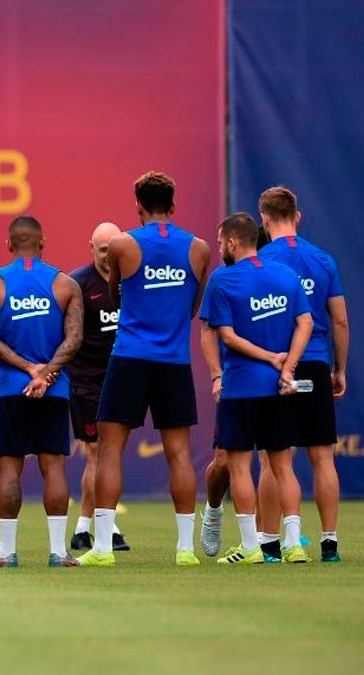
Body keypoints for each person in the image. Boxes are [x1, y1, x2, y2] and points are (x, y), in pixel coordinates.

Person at [202, 188, 348, 563]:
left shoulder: (240, 270)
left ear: (263, 221)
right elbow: (329, 321)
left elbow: (225, 332)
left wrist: (269, 362)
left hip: (255, 378)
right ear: (296, 216)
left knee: (257, 463)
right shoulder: (310, 265)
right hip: (305, 366)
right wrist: (331, 368)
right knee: (311, 460)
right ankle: (315, 543)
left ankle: (262, 544)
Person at [79, 172, 210, 568]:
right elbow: (192, 307)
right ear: (174, 204)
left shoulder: (123, 243)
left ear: (137, 206)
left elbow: (117, 294)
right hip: (173, 359)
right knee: (180, 453)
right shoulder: (200, 249)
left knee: (109, 451)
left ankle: (102, 549)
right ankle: (185, 549)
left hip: (130, 357)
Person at [199, 213, 312, 564]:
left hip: (241, 388)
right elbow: (305, 323)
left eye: (220, 243)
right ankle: (293, 546)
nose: (219, 248)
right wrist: (288, 365)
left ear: (232, 242)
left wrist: (270, 359)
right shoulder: (285, 274)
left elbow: (227, 336)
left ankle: (251, 548)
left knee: (239, 467)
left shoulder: (223, 279)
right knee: (282, 467)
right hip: (279, 389)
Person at [0, 216, 83, 568]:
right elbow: (75, 339)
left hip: (10, 389)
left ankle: (6, 553)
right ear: (43, 242)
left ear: (8, 245)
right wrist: (46, 373)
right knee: (54, 468)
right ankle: (58, 552)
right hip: (53, 390)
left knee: (9, 471)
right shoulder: (66, 284)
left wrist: (27, 370)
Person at [68, 222, 132, 552]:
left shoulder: (132, 279)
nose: (108, 255)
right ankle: (100, 529)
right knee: (97, 453)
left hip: (122, 379)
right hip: (86, 382)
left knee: (110, 455)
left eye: (113, 248)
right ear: (91, 248)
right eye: (102, 249)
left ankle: (85, 528)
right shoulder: (78, 284)